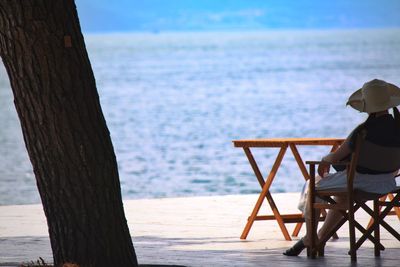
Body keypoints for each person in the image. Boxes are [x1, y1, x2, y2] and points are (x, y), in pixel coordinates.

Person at [284, 79, 400, 256]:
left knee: (312, 184)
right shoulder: (398, 128)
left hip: (359, 182)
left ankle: (309, 238)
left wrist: (324, 159)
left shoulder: (363, 131)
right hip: (386, 184)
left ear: (366, 105)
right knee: (342, 197)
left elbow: (336, 157)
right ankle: (320, 238)